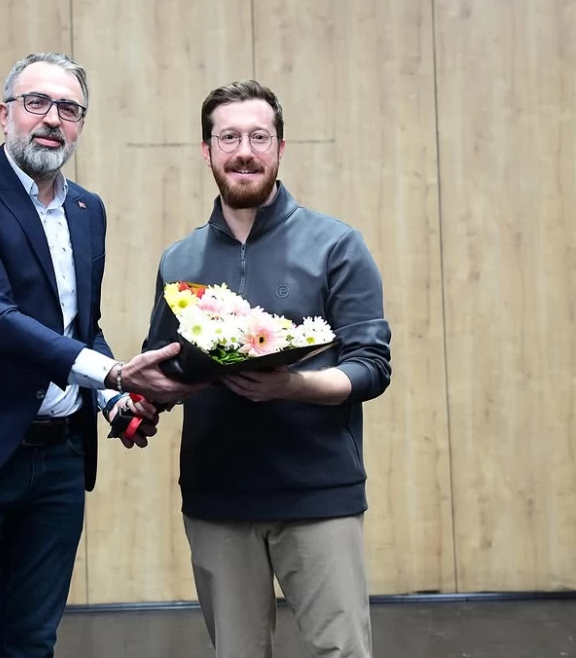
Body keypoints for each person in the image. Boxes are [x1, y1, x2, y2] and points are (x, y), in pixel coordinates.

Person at [0, 52, 198, 658]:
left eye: (69, 109)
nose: (52, 118)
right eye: (37, 103)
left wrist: (113, 400)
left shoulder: (87, 209)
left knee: (32, 644)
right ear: (5, 115)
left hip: (58, 462)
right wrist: (112, 373)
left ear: (80, 126)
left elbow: (81, 328)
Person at [144, 79, 392, 657]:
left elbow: (371, 367)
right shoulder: (179, 260)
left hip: (318, 495)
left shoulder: (337, 245)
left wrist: (293, 385)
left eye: (259, 137)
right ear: (206, 151)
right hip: (217, 499)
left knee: (341, 652)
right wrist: (140, 395)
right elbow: (165, 370)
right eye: (228, 137)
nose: (244, 151)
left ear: (280, 148)